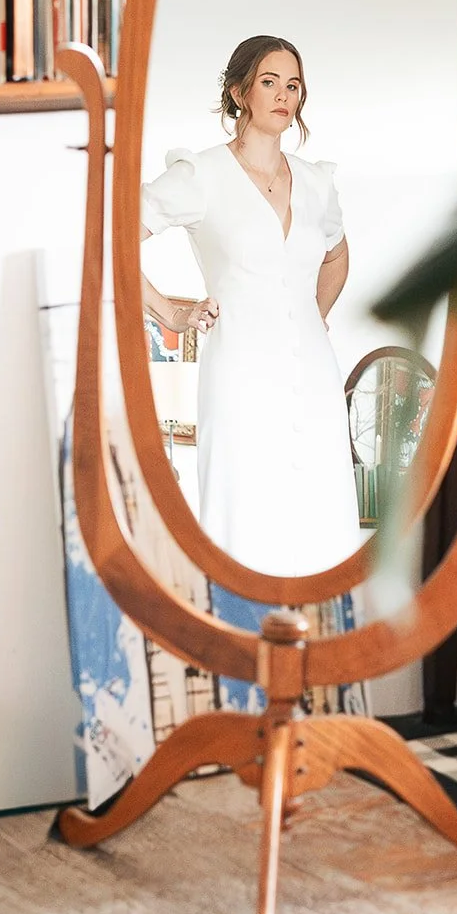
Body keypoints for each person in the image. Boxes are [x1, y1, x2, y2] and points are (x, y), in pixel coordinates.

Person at [140, 34, 361, 577]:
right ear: (240, 92)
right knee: (243, 513)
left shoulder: (315, 182)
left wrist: (310, 315)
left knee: (321, 515)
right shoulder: (201, 175)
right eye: (270, 82)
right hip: (238, 369)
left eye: (293, 85)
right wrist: (171, 313)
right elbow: (110, 238)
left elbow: (336, 257)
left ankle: (319, 645)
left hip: (313, 374)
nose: (285, 95)